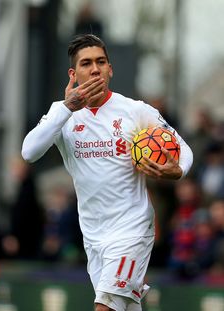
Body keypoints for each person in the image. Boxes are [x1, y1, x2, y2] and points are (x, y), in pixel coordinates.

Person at [21, 34, 193, 311]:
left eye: (101, 62)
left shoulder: (134, 110)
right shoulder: (62, 115)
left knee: (105, 308)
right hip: (93, 235)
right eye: (86, 63)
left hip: (132, 229)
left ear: (110, 69)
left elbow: (183, 148)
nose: (95, 68)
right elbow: (29, 152)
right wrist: (66, 108)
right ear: (73, 73)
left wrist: (178, 170)